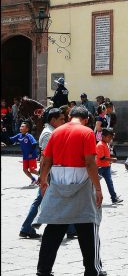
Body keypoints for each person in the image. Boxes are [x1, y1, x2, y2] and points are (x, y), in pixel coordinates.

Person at [34, 105, 104, 276]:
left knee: (54, 228)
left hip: (59, 183)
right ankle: (92, 270)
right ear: (86, 119)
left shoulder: (56, 132)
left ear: (69, 115)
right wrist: (98, 188)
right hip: (81, 183)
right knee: (88, 226)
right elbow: (90, 163)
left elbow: (46, 160)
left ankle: (43, 270)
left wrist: (43, 180)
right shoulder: (87, 132)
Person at [20, 109, 74, 240]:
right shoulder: (48, 134)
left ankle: (70, 228)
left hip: (53, 172)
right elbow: (45, 157)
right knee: (44, 200)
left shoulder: (53, 132)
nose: (64, 121)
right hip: (50, 174)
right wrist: (43, 177)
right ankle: (27, 227)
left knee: (56, 199)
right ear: (53, 120)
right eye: (61, 119)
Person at [95, 128, 122, 204]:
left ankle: (114, 198)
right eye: (109, 137)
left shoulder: (105, 144)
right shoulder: (100, 145)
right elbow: (102, 158)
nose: (110, 139)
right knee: (95, 183)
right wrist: (112, 159)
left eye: (111, 137)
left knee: (109, 183)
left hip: (106, 167)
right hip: (100, 167)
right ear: (103, 136)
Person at [10, 120, 40, 185]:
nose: (21, 127)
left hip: (31, 156)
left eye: (23, 126)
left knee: (32, 170)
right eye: (20, 126)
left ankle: (42, 175)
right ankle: (33, 180)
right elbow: (11, 139)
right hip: (25, 156)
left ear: (27, 129)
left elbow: (34, 144)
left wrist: (31, 153)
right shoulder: (19, 135)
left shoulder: (29, 136)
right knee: (25, 170)